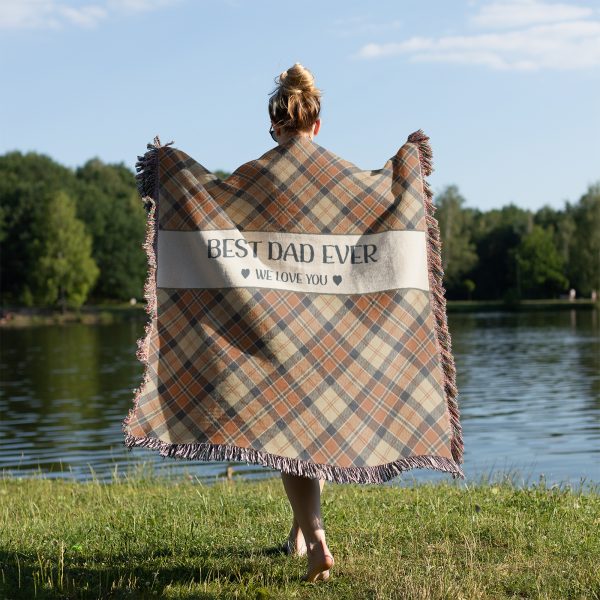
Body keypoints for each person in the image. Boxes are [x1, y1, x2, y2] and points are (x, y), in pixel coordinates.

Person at [267, 62, 333, 583]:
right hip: (331, 325)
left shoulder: (258, 175)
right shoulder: (339, 178)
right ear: (316, 124)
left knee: (289, 437)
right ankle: (296, 535)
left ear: (275, 126)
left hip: (276, 324)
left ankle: (316, 542)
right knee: (313, 432)